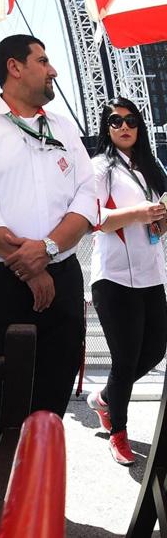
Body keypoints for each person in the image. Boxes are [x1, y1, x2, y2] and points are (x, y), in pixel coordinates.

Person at [0, 34, 96, 486]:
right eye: (43, 60)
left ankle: (28, 495)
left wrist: (46, 252)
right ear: (15, 67)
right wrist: (28, 267)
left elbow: (88, 199)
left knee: (51, 390)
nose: (52, 70)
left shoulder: (65, 128)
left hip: (61, 278)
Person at [87, 97, 167, 466]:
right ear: (106, 128)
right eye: (114, 121)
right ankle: (118, 431)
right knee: (125, 358)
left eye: (130, 120)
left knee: (155, 350)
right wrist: (138, 213)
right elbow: (95, 219)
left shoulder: (152, 168)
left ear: (139, 126)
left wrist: (160, 220)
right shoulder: (99, 167)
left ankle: (105, 398)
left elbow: (161, 217)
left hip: (151, 274)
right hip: (114, 277)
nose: (123, 127)